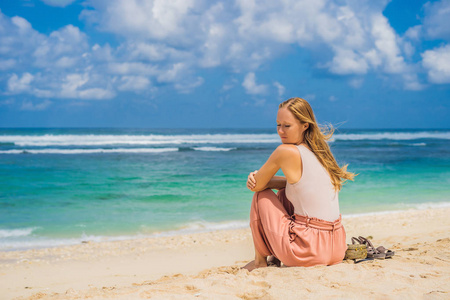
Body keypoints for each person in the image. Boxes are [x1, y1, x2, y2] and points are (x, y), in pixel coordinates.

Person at [243, 97, 355, 271]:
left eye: (287, 126)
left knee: (261, 195)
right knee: (283, 193)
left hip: (307, 251)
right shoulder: (321, 153)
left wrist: (257, 177)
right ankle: (273, 258)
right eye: (278, 125)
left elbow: (257, 186)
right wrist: (271, 182)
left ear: (305, 125)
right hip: (336, 248)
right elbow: (303, 185)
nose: (281, 131)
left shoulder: (285, 151)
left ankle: (260, 262)